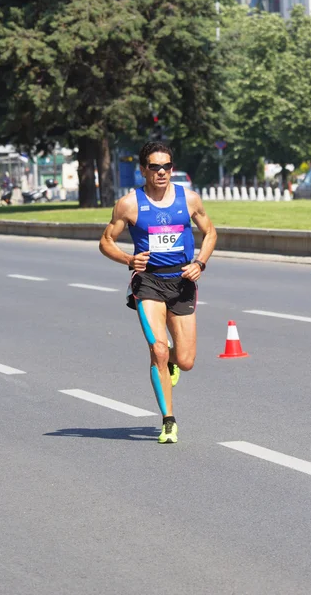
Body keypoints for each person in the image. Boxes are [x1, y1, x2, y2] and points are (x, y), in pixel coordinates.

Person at [99, 141, 217, 443]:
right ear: (143, 170)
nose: (162, 172)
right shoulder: (129, 204)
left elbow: (211, 232)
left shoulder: (189, 199)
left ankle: (174, 364)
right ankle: (168, 420)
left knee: (186, 360)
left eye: (167, 166)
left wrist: (200, 263)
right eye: (155, 167)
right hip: (148, 282)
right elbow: (105, 242)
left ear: (172, 169)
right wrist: (128, 259)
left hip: (182, 282)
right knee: (159, 350)